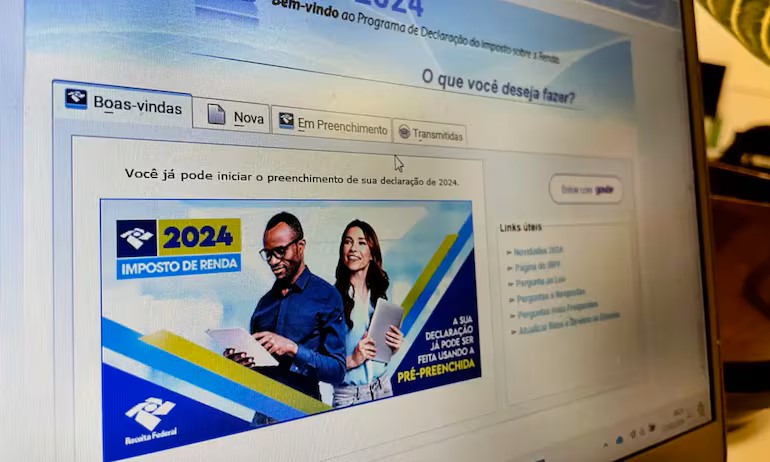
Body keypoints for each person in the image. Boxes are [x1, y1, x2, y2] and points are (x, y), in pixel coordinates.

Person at [224, 212, 346, 407]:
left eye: (280, 251)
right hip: (264, 414)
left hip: (306, 412)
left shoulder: (327, 296)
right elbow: (256, 375)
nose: (273, 261)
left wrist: (292, 348)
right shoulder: (263, 306)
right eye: (268, 254)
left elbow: (337, 371)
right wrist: (239, 364)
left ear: (300, 246)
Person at [332, 220, 403, 408]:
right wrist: (353, 359)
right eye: (348, 242)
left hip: (383, 387)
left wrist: (392, 347)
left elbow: (379, 352)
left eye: (361, 243)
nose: (353, 248)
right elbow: (321, 363)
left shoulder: (379, 297)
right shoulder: (331, 300)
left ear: (372, 253)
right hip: (349, 397)